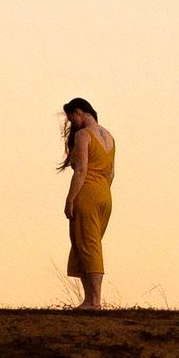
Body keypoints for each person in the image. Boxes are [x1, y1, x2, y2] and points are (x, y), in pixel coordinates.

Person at [60, 98, 116, 310]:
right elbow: (111, 173)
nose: (72, 123)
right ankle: (89, 299)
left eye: (72, 118)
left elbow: (81, 170)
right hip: (105, 194)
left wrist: (70, 199)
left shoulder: (84, 136)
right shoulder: (109, 136)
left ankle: (94, 301)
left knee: (88, 244)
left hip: (88, 193)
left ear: (79, 112)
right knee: (89, 243)